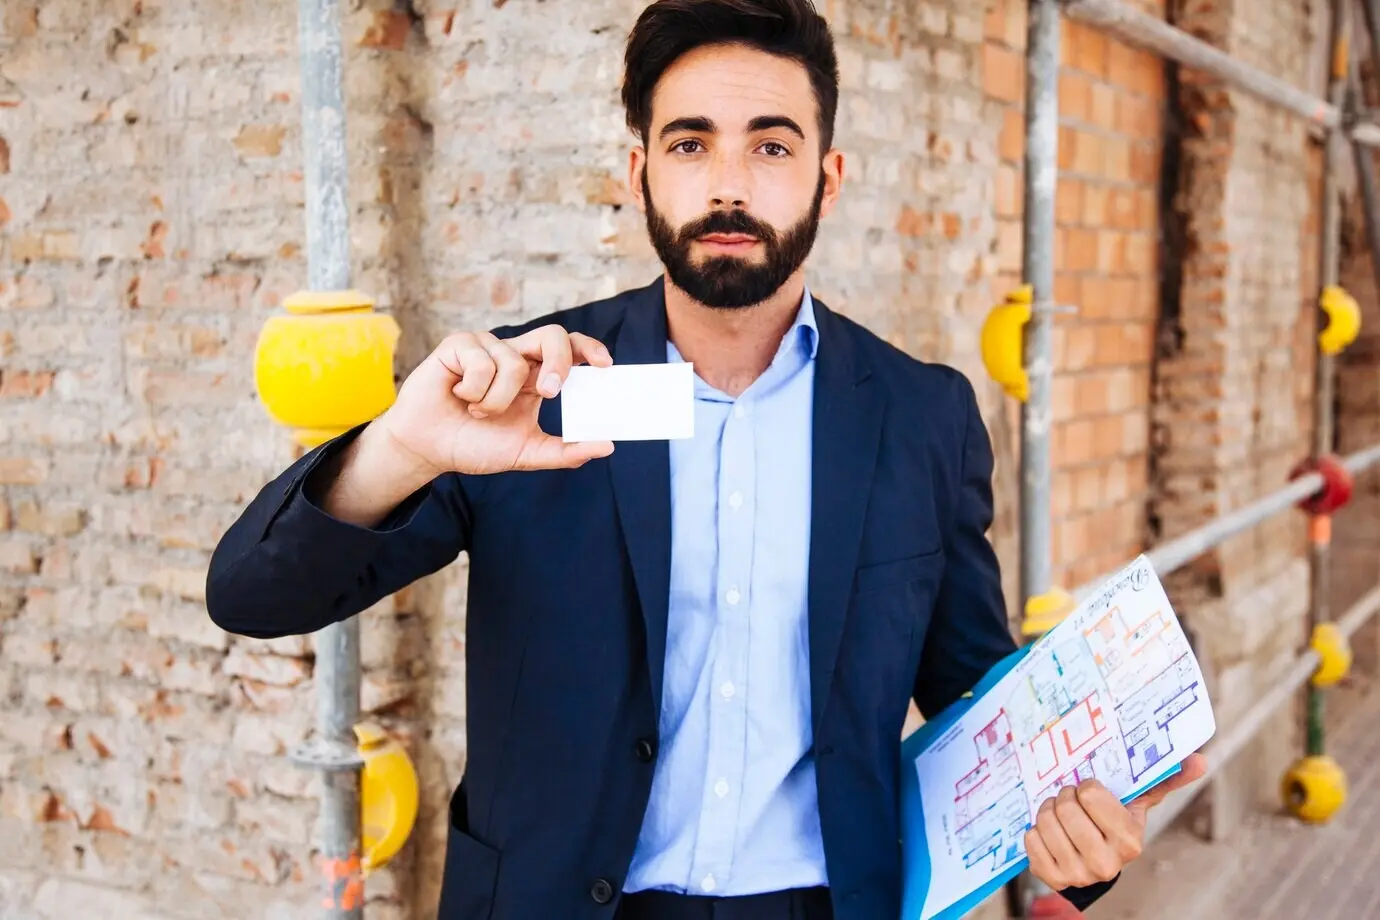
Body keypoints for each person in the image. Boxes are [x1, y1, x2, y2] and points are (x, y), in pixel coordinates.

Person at [206, 1, 1205, 917]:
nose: (729, 184)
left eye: (772, 144)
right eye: (691, 143)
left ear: (828, 174)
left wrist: (1079, 831)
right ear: (639, 171)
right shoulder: (529, 389)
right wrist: (401, 445)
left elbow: (981, 705)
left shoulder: (921, 417)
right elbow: (250, 593)